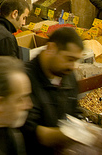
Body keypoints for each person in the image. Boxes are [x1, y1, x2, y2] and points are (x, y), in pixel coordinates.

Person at [22, 27, 83, 155]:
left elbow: (74, 111)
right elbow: (31, 133)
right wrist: (76, 134)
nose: (72, 66)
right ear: (51, 48)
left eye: (75, 60)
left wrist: (82, 126)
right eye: (69, 59)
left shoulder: (67, 75)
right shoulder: (24, 79)